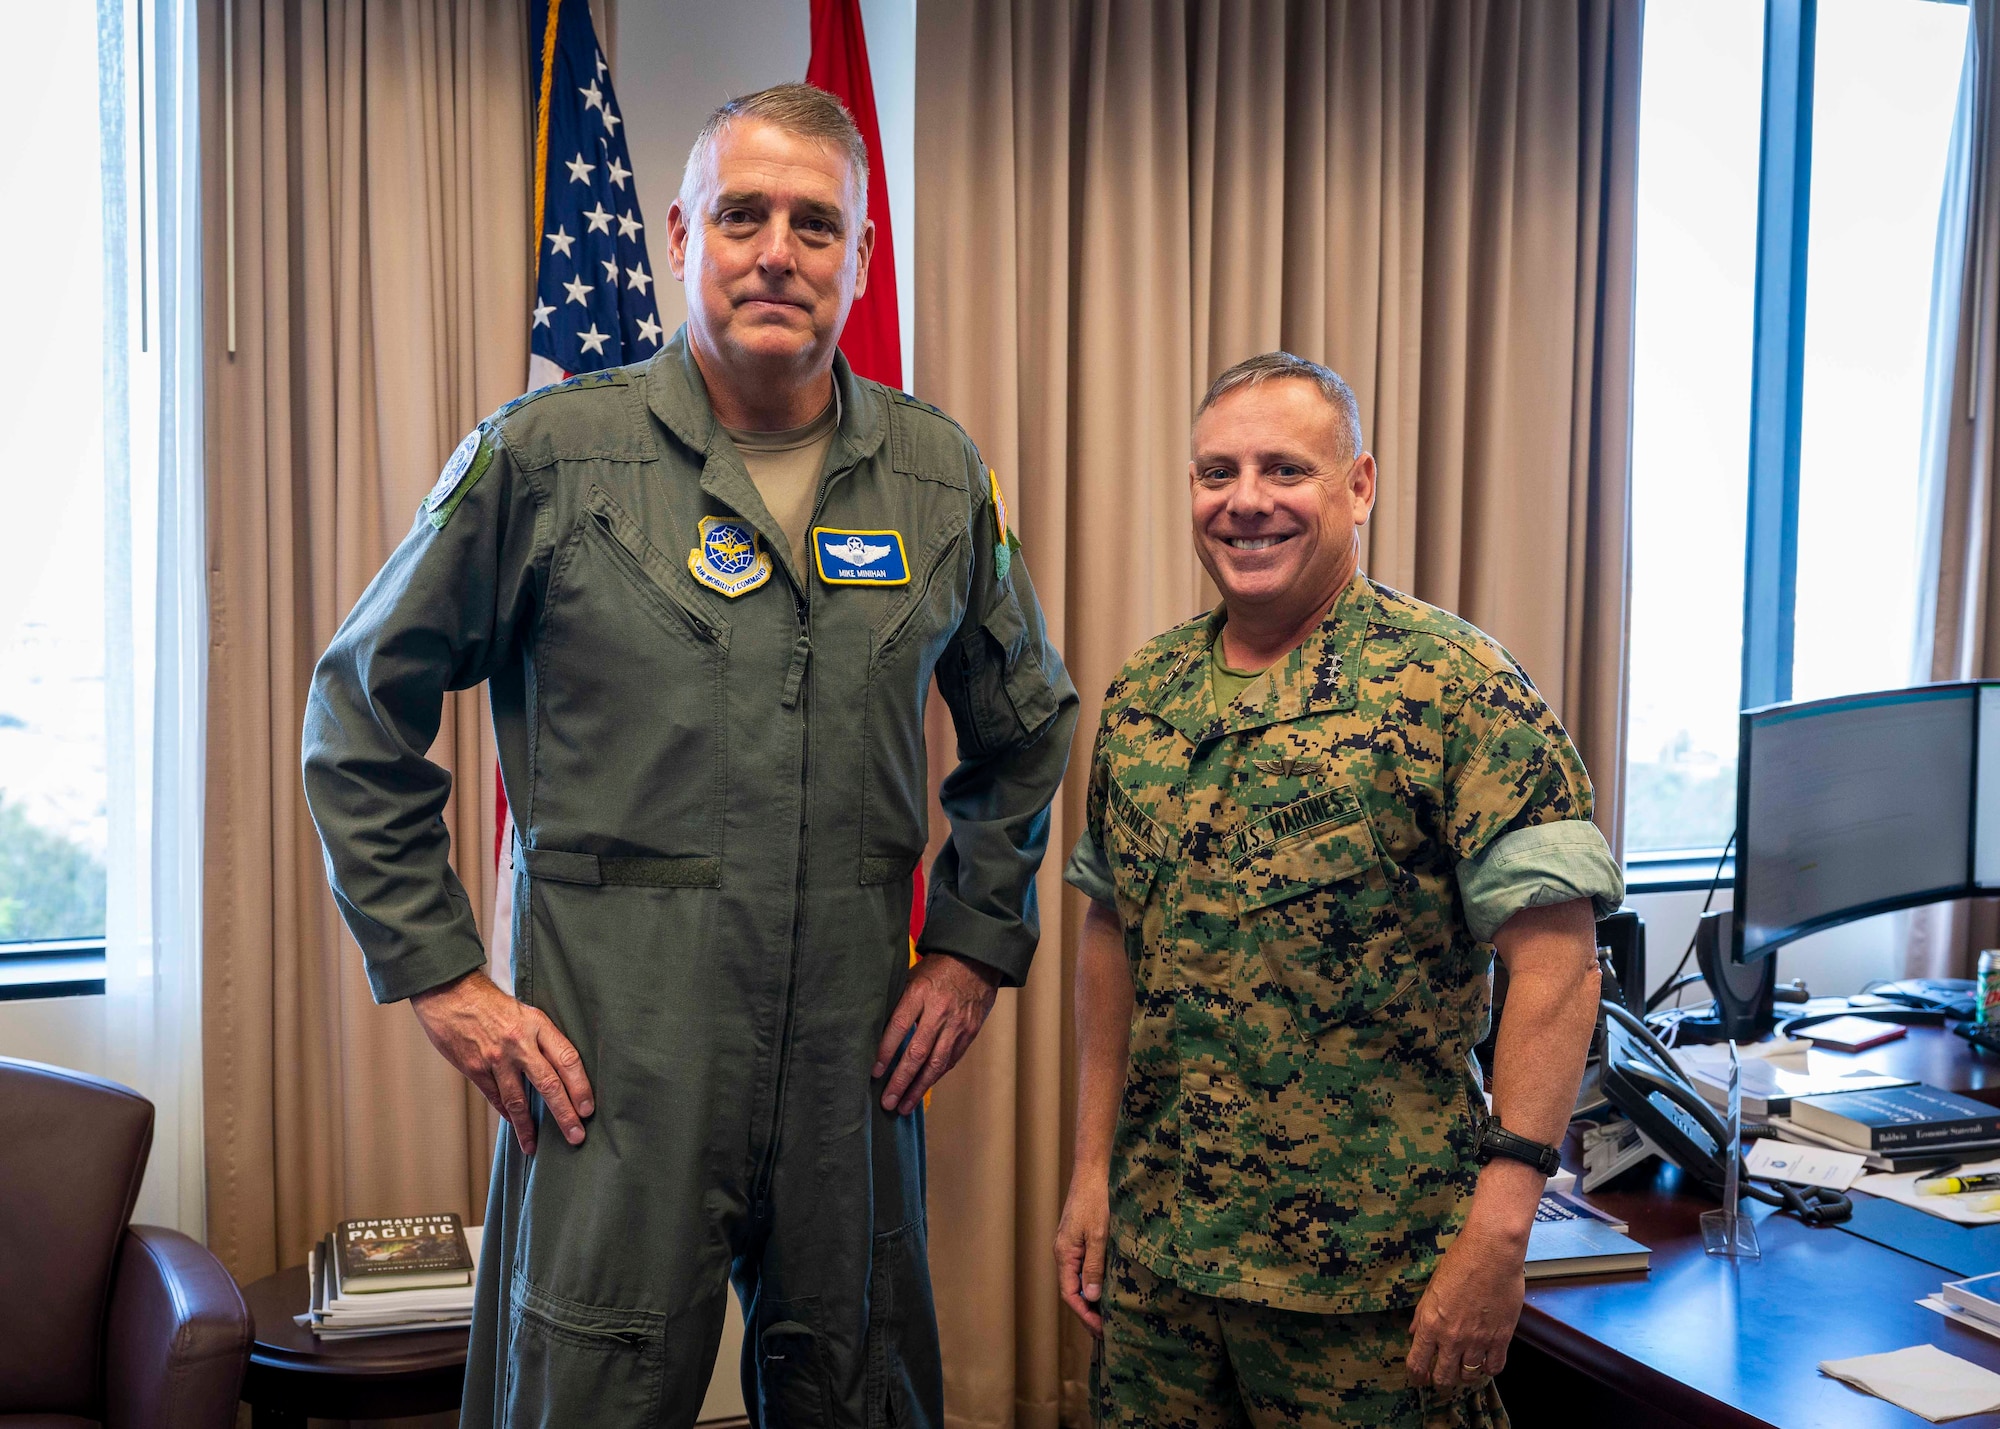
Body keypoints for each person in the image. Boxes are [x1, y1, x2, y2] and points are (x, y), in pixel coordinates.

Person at [303, 83, 1077, 1428]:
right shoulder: (548, 457)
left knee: (864, 1394)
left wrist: (969, 944)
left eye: (815, 223)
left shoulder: (939, 479)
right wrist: (441, 976)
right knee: (583, 1397)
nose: (778, 249)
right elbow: (359, 708)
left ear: (861, 257)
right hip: (618, 1060)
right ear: (681, 234)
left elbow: (1027, 730)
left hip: (853, 1057)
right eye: (744, 214)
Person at [1053, 352, 1621, 1428]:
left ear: (1356, 486)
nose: (1246, 500)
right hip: (1165, 1270)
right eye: (1215, 471)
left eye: (1284, 469)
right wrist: (1091, 1171)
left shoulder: (1452, 688)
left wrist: (1500, 1232)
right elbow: (1109, 934)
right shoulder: (1144, 696)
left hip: (1370, 1290)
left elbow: (1556, 963)